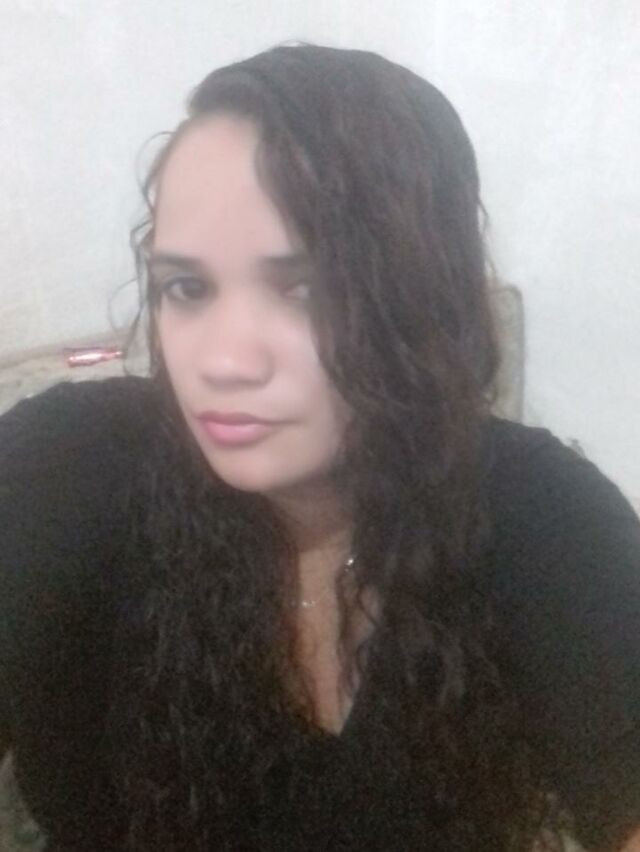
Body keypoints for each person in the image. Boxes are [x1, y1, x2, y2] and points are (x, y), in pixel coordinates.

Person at [0, 43, 639, 852]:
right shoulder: (64, 470)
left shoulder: (537, 513)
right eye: (186, 288)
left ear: (422, 299)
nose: (224, 361)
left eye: (307, 290)